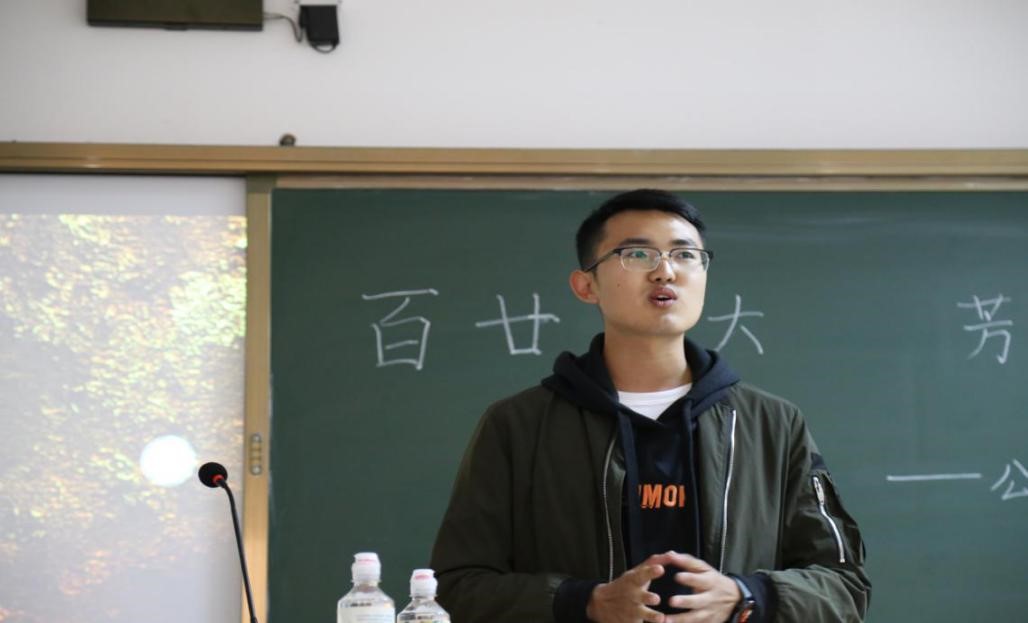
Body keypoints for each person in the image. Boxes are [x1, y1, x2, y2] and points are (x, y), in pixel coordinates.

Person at [430, 189, 870, 623]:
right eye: (637, 254)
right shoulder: (520, 425)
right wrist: (586, 602)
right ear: (586, 285)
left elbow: (844, 585)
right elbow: (458, 585)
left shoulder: (771, 424)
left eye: (685, 255)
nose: (665, 271)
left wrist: (743, 596)